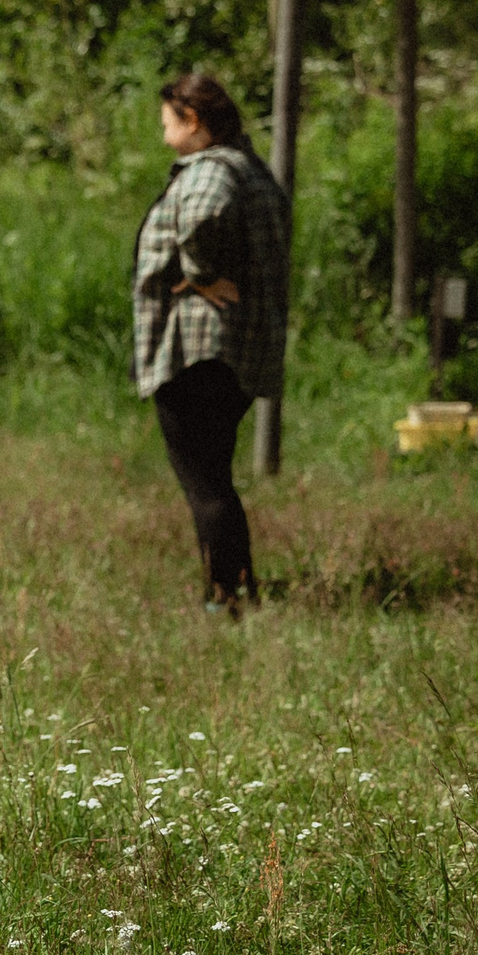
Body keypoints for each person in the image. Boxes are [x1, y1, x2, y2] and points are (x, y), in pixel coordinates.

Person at [132, 72, 289, 614]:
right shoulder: (252, 170)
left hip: (199, 349)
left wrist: (198, 274)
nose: (165, 137)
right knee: (216, 478)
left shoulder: (210, 171)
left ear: (193, 121)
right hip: (236, 351)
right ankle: (239, 587)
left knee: (203, 482)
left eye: (168, 125)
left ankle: (225, 598)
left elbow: (200, 216)